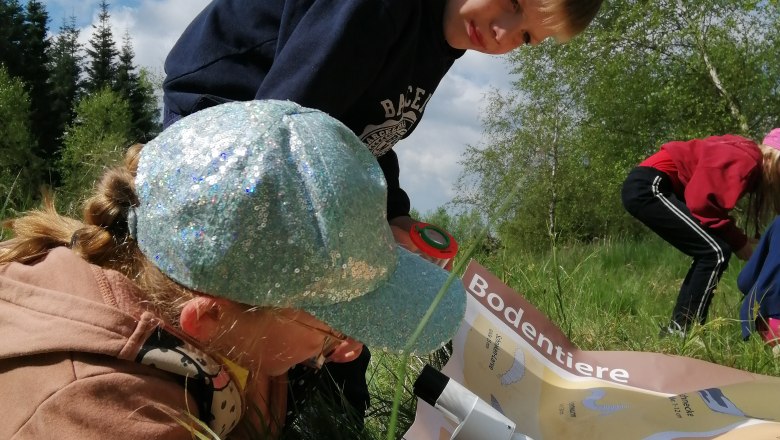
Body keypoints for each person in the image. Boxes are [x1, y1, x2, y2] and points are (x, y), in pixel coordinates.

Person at [161, 0, 603, 420]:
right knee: (263, 293)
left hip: (292, 143)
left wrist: (394, 214)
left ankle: (327, 414)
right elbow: (282, 134)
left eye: (525, 37)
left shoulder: (443, 36)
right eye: (511, 2)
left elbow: (357, 135)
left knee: (341, 315)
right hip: (229, 122)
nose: (503, 32)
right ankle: (186, 389)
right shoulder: (378, 8)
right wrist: (336, 299)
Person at [0, 100, 467, 439]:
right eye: (329, 334)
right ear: (208, 318)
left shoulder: (231, 336)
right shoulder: (99, 415)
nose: (347, 349)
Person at [621, 129, 780, 336]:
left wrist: (740, 240)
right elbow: (702, 204)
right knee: (715, 252)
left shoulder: (745, 153)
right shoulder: (746, 159)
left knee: (712, 251)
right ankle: (684, 331)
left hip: (650, 184)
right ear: (771, 159)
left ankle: (679, 329)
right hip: (650, 185)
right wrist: (741, 244)